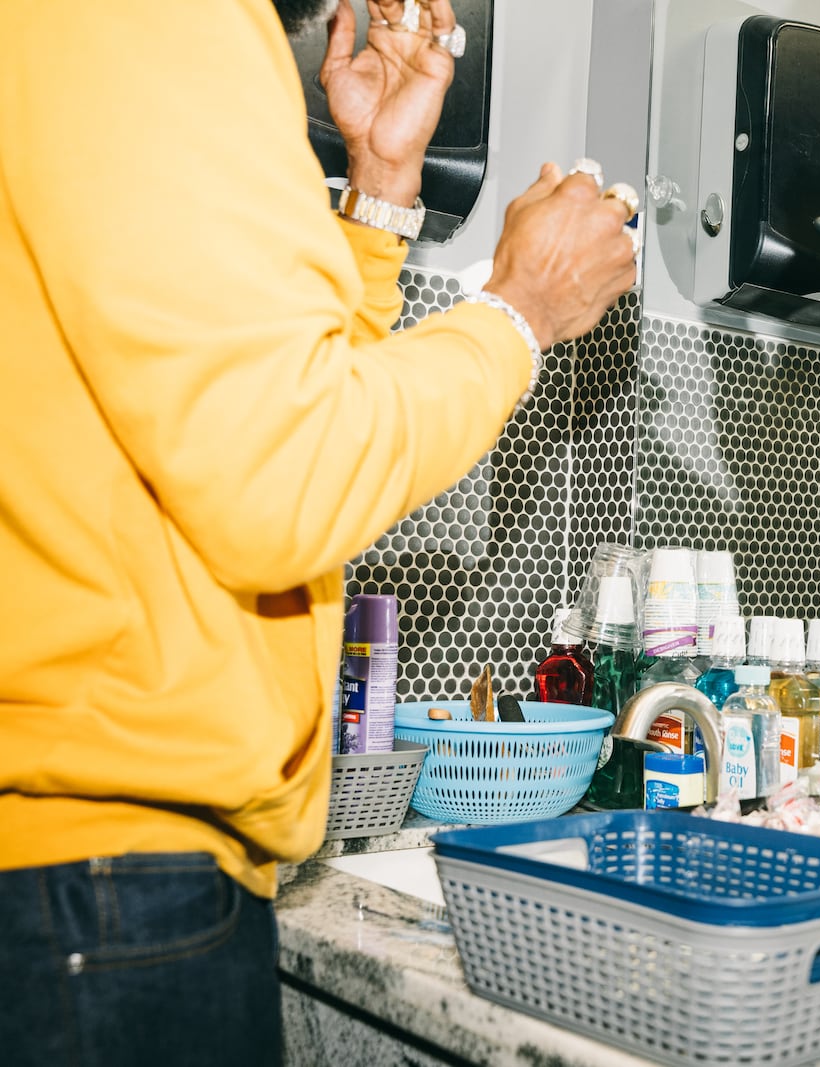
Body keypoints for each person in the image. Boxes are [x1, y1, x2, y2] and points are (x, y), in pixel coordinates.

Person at [0, 1, 636, 1062]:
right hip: (100, 888)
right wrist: (517, 310)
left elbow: (270, 410)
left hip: (98, 875)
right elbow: (288, 477)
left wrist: (379, 192)